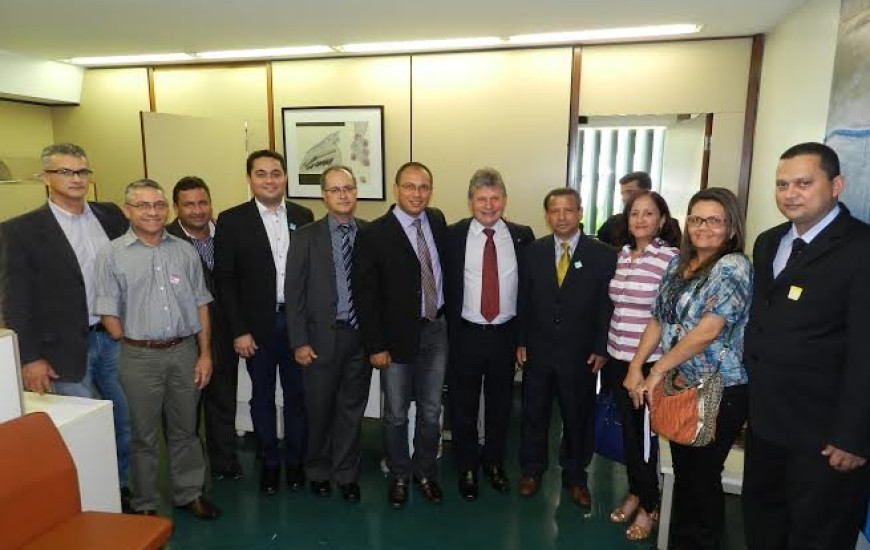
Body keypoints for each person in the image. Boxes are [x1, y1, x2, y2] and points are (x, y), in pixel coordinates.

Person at [743, 142, 870, 550]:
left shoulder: (861, 249)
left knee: (819, 536)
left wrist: (854, 436)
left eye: (803, 183)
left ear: (836, 185)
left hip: (827, 435)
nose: (790, 193)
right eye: (782, 184)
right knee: (763, 526)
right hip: (766, 425)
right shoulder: (768, 242)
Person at [0, 142, 132, 509]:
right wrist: (30, 359)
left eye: (82, 171)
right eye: (65, 171)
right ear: (46, 178)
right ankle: (91, 499)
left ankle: (120, 488)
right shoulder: (21, 231)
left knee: (124, 421)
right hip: (64, 349)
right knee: (86, 426)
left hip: (114, 339)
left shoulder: (111, 216)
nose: (76, 178)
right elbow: (16, 301)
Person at [630, 187, 751, 550]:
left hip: (719, 390)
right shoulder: (678, 264)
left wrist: (656, 371)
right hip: (682, 384)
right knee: (685, 475)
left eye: (715, 220)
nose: (703, 227)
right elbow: (658, 319)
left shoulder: (733, 266)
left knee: (701, 479)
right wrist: (636, 365)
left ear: (731, 227)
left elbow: (707, 331)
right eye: (697, 219)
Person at [94, 179, 220, 519]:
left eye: (159, 205)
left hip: (184, 353)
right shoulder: (111, 254)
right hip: (138, 357)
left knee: (186, 430)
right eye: (143, 205)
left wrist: (204, 353)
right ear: (127, 211)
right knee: (143, 434)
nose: (153, 212)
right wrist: (136, 340)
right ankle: (144, 503)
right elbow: (107, 311)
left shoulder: (184, 251)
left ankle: (189, 493)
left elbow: (201, 304)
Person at [214, 150, 314, 495]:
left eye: (276, 173)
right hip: (256, 328)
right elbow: (225, 281)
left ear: (285, 177)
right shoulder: (231, 220)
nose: (269, 180)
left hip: (297, 325)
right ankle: (270, 463)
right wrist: (238, 330)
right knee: (262, 398)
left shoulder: (303, 216)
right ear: (249, 179)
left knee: (298, 397)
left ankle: (296, 462)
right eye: (261, 173)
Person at [354, 161, 449, 509]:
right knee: (395, 412)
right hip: (394, 340)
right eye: (409, 186)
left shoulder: (436, 221)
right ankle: (399, 474)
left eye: (423, 187)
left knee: (431, 410)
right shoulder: (374, 234)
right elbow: (365, 297)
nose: (417, 194)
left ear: (431, 191)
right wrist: (375, 346)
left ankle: (425, 472)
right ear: (396, 189)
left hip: (436, 330)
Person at [516, 187, 616, 508]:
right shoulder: (533, 252)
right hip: (538, 349)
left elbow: (607, 306)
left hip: (581, 353)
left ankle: (575, 476)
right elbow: (523, 300)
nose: (561, 217)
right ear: (547, 216)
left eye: (568, 210)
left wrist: (601, 347)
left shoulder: (603, 254)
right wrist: (520, 340)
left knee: (577, 415)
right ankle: (532, 470)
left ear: (580, 213)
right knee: (534, 414)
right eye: (555, 211)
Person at [443, 167, 534, 501]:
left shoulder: (523, 236)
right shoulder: (452, 235)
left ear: (505, 200)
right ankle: (466, 467)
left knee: (500, 404)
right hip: (465, 333)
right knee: (462, 405)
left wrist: (523, 338)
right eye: (481, 199)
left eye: (495, 198)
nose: (488, 205)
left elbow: (529, 291)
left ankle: (494, 463)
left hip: (505, 335)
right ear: (470, 201)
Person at [285, 166, 372, 504]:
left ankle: (347, 474)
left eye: (348, 188)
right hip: (320, 339)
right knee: (319, 410)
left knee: (351, 410)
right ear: (324, 195)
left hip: (359, 338)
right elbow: (294, 293)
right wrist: (299, 341)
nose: (343, 195)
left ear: (355, 192)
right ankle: (318, 471)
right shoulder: (306, 236)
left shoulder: (369, 233)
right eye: (335, 190)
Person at [604, 190, 680, 541]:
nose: (640, 220)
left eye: (649, 213)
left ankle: (649, 506)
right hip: (617, 358)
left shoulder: (669, 258)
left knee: (646, 440)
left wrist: (639, 367)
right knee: (630, 436)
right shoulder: (622, 255)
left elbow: (663, 316)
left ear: (661, 220)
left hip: (647, 364)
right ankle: (637, 491)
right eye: (634, 213)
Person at [167, 176, 243, 481]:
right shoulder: (165, 239)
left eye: (203, 203)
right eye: (189, 205)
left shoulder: (226, 233)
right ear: (176, 208)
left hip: (224, 334)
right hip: (184, 338)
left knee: (223, 401)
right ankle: (189, 475)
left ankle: (224, 463)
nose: (197, 210)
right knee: (184, 411)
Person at [597, 171, 652, 247]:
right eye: (622, 193)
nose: (624, 198)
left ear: (646, 192)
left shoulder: (661, 224)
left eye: (630, 192)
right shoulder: (613, 223)